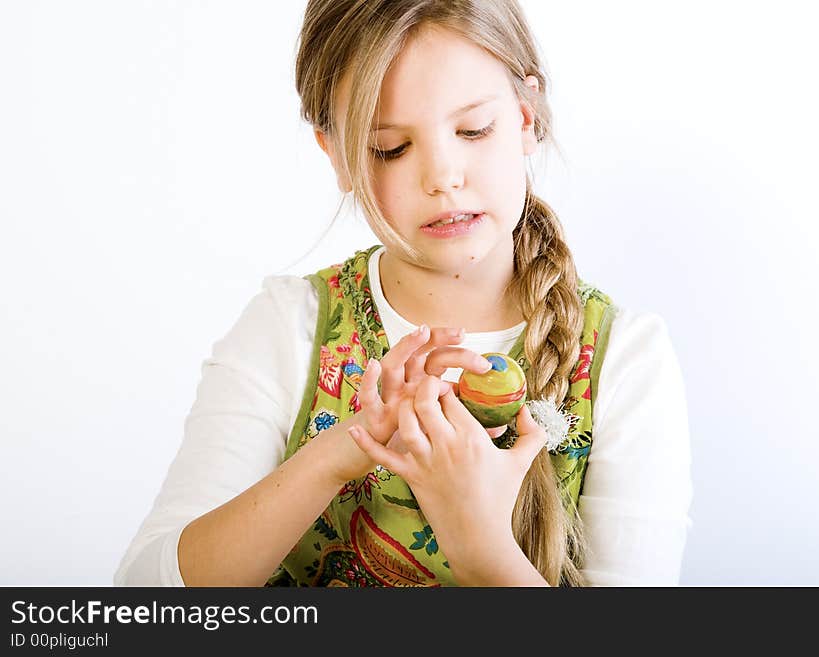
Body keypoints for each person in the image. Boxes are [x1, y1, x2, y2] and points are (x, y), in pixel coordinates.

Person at [114, 0, 692, 587]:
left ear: (525, 117)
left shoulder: (624, 355)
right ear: (336, 155)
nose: (442, 176)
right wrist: (338, 454)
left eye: (473, 129)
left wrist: (480, 542)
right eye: (390, 147)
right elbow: (146, 596)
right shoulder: (287, 327)